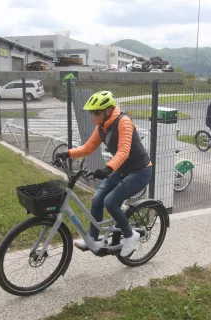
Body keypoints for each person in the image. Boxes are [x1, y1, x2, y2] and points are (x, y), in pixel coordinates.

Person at [54, 90, 152, 257]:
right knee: (97, 198)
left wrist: (108, 168)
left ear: (108, 111)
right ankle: (93, 238)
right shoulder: (102, 127)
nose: (93, 117)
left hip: (140, 171)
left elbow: (124, 151)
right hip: (121, 170)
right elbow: (88, 147)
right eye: (91, 112)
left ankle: (130, 235)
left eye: (96, 112)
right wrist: (67, 153)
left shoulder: (124, 122)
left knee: (110, 201)